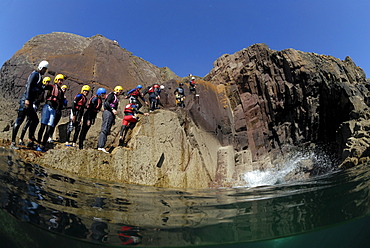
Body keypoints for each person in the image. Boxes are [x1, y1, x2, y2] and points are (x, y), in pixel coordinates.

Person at [10, 60, 49, 150]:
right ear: (40, 67)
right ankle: (13, 143)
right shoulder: (35, 74)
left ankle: (30, 140)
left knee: (35, 120)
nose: (44, 71)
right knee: (20, 120)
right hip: (26, 101)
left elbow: (39, 88)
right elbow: (29, 86)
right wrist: (27, 99)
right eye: (44, 69)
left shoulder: (39, 77)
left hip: (31, 102)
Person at [18, 76, 51, 146]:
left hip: (36, 106)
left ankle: (31, 137)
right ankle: (21, 138)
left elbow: (41, 100)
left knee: (33, 121)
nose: (47, 83)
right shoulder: (39, 89)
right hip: (32, 105)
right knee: (28, 121)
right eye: (46, 82)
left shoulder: (42, 91)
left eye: (49, 82)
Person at [36, 74, 65, 152]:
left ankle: (43, 145)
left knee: (49, 127)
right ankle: (38, 143)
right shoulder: (51, 87)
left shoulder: (61, 92)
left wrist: (59, 109)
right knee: (43, 126)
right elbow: (44, 87)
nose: (60, 81)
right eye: (59, 80)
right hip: (47, 107)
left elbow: (61, 102)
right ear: (56, 80)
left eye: (61, 80)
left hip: (54, 110)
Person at [97, 85, 124, 153]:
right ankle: (100, 146)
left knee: (107, 130)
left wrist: (113, 119)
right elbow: (106, 103)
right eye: (120, 91)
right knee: (104, 129)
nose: (120, 93)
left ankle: (102, 146)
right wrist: (112, 109)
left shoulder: (116, 98)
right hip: (108, 112)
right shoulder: (111, 95)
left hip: (111, 114)